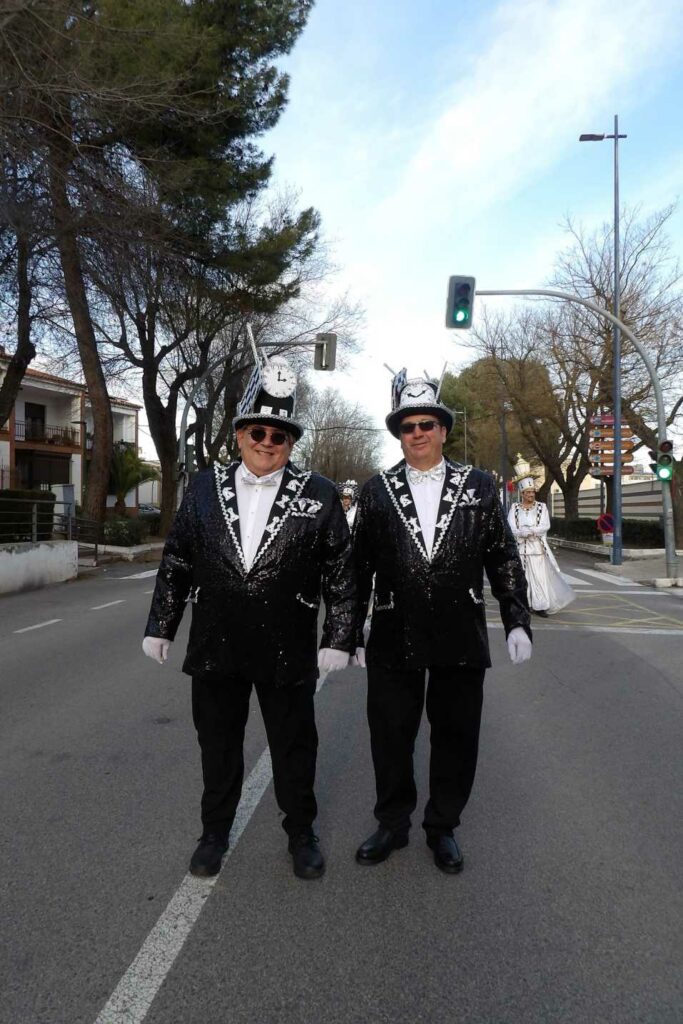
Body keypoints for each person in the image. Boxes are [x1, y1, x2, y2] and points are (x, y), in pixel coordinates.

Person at [142, 355, 355, 881]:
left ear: (290, 442)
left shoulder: (320, 494)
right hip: (217, 645)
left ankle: (300, 833)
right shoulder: (202, 488)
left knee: (294, 747)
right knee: (217, 746)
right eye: (258, 430)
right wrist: (161, 623)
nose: (267, 441)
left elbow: (342, 573)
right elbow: (178, 560)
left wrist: (340, 636)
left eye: (279, 434)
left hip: (288, 646)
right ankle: (215, 832)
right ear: (239, 434)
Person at [352, 370, 532, 874]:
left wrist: (517, 618)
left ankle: (443, 827)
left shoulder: (478, 485)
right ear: (398, 433)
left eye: (427, 423)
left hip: (459, 630)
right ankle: (392, 823)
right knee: (390, 734)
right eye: (408, 426)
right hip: (393, 630)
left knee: (455, 734)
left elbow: (503, 555)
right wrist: (346, 633)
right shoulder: (376, 490)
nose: (419, 433)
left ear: (444, 429)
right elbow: (356, 566)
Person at [507, 476, 575, 617]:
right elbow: (510, 526)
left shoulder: (541, 507)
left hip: (537, 549)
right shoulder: (514, 508)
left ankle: (540, 605)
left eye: (533, 492)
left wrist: (531, 531)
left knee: (539, 578)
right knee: (522, 578)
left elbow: (545, 526)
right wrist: (521, 532)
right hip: (520, 549)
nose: (531, 494)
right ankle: (524, 604)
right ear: (522, 494)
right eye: (528, 492)